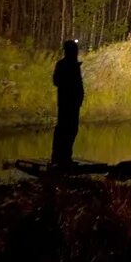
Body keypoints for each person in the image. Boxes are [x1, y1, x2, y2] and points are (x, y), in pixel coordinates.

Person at [51, 39, 84, 167]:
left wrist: (80, 98)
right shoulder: (64, 65)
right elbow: (57, 81)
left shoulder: (72, 65)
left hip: (72, 103)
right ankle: (59, 156)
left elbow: (79, 84)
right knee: (65, 129)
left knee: (70, 129)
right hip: (67, 103)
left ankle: (64, 156)